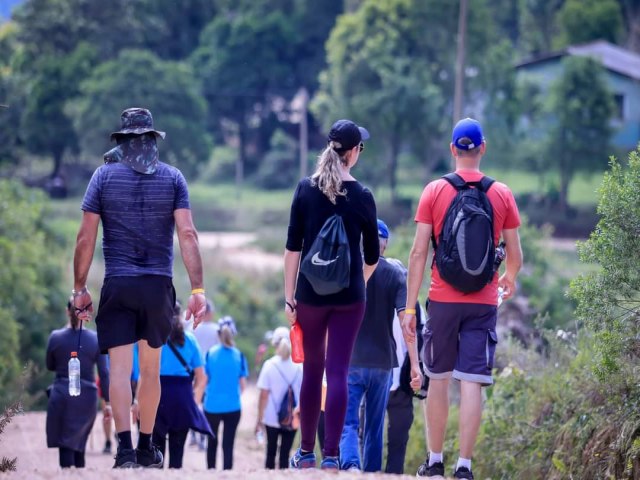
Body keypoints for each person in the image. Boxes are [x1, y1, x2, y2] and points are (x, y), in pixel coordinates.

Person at [71, 107, 208, 468]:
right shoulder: (173, 178)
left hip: (118, 282)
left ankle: (125, 450)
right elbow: (188, 234)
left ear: (123, 140)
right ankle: (147, 447)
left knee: (119, 372)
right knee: (150, 370)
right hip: (158, 285)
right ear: (151, 138)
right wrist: (197, 291)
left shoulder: (102, 177)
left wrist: (79, 288)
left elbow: (86, 237)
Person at [404, 118, 523, 479]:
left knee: (437, 378)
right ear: (482, 148)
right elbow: (515, 254)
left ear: (453, 149)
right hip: (483, 301)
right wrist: (509, 278)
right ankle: (465, 467)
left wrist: (410, 307)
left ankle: (435, 460)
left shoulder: (433, 191)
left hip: (442, 300)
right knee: (472, 381)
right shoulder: (501, 193)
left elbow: (418, 254)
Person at [284, 119, 380, 470]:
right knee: (338, 372)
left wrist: (288, 297)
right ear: (353, 152)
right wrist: (360, 283)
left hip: (309, 295)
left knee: (312, 371)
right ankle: (333, 457)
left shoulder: (305, 190)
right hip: (349, 298)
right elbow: (372, 255)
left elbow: (292, 248)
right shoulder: (363, 196)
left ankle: (306, 453)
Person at [339, 219, 420, 472]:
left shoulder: (348, 270)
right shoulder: (395, 274)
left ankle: (351, 465)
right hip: (383, 363)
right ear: (384, 246)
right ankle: (371, 474)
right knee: (375, 425)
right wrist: (416, 366)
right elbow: (408, 324)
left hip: (351, 360)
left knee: (348, 421)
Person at [46, 298, 110, 468]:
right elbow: (104, 373)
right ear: (87, 313)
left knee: (65, 444)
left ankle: (67, 474)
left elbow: (50, 366)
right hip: (87, 396)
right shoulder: (96, 339)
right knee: (79, 443)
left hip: (61, 393)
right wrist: (108, 402)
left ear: (68, 311)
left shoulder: (55, 337)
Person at [150, 301, 212, 468]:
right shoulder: (189, 339)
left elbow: (146, 373)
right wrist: (194, 401)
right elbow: (202, 377)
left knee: (156, 452)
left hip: (159, 395)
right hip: (182, 397)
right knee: (177, 452)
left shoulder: (154, 338)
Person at [386, 298, 426, 474]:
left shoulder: (369, 292)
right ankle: (393, 475)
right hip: (403, 380)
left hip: (377, 379)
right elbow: (424, 336)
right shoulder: (413, 303)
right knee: (398, 440)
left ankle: (364, 473)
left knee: (367, 434)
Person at [202, 316, 248, 470]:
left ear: (218, 334)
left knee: (212, 442)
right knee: (228, 444)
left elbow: (205, 379)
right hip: (233, 407)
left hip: (212, 406)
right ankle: (227, 473)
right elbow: (243, 386)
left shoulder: (210, 354)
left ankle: (211, 473)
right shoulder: (239, 355)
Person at [255, 326, 303, 469]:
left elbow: (263, 396)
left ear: (274, 344)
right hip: (293, 416)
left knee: (270, 453)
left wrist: (259, 419)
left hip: (271, 418)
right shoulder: (300, 366)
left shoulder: (269, 365)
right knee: (285, 455)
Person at [189, 299, 218, 450]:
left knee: (194, 401)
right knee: (205, 403)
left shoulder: (192, 328)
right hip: (210, 371)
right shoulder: (217, 329)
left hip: (193, 369)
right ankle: (203, 436)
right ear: (210, 313)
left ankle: (194, 433)